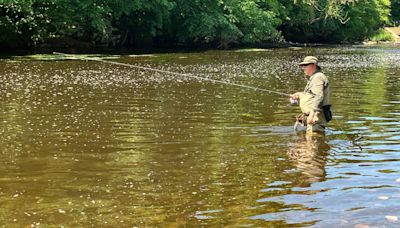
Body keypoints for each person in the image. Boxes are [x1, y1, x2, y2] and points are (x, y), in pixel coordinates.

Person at [290, 56, 331, 133]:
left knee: (313, 141)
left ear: (314, 65)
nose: (303, 68)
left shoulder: (318, 77)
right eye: (302, 66)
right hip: (313, 118)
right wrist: (300, 95)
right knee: (311, 141)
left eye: (306, 65)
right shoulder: (314, 77)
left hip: (315, 118)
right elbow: (311, 95)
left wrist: (312, 114)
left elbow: (318, 96)